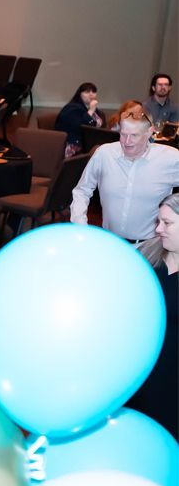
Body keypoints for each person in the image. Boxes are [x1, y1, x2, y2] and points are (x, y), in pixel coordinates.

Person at [70, 102, 179, 242]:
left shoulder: (170, 159)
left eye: (134, 135)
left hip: (150, 247)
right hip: (111, 242)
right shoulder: (105, 153)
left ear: (149, 132)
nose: (126, 142)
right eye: (123, 134)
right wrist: (80, 227)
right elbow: (82, 191)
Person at [130, 193, 179, 437]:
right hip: (138, 368)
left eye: (167, 223)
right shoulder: (146, 256)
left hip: (172, 377)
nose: (159, 229)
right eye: (158, 221)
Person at [55, 82, 103, 153]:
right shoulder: (72, 108)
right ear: (79, 94)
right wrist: (91, 111)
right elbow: (80, 127)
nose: (91, 94)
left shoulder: (93, 109)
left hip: (88, 142)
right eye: (87, 92)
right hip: (73, 145)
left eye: (93, 91)